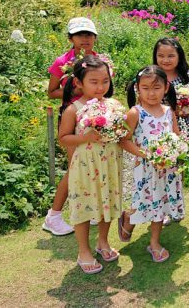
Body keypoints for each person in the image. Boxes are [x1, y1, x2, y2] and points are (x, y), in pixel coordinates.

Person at [58, 56, 122, 274]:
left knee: (108, 204)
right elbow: (63, 138)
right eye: (94, 82)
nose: (100, 86)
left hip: (110, 165)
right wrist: (86, 137)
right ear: (78, 82)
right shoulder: (73, 109)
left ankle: (103, 241)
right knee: (83, 207)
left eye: (105, 81)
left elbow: (123, 132)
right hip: (85, 166)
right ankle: (83, 251)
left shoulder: (114, 105)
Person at [118, 66, 184, 262]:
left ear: (166, 87)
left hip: (167, 169)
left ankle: (154, 242)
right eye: (145, 88)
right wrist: (147, 155)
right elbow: (124, 140)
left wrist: (177, 152)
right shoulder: (134, 113)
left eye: (156, 87)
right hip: (145, 169)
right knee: (143, 201)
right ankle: (129, 217)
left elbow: (176, 135)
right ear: (138, 88)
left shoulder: (168, 111)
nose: (151, 93)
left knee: (160, 204)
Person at [42, 17, 100, 236]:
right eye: (79, 35)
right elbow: (52, 91)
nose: (84, 39)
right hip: (72, 117)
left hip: (95, 118)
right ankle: (54, 216)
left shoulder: (99, 60)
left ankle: (90, 209)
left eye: (88, 35)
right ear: (71, 38)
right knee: (75, 166)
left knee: (92, 164)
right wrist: (74, 92)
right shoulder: (61, 61)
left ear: (95, 38)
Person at [153, 37, 189, 141]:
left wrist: (185, 106)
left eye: (171, 56)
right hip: (157, 125)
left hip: (183, 125)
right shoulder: (151, 77)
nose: (166, 60)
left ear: (179, 56)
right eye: (161, 56)